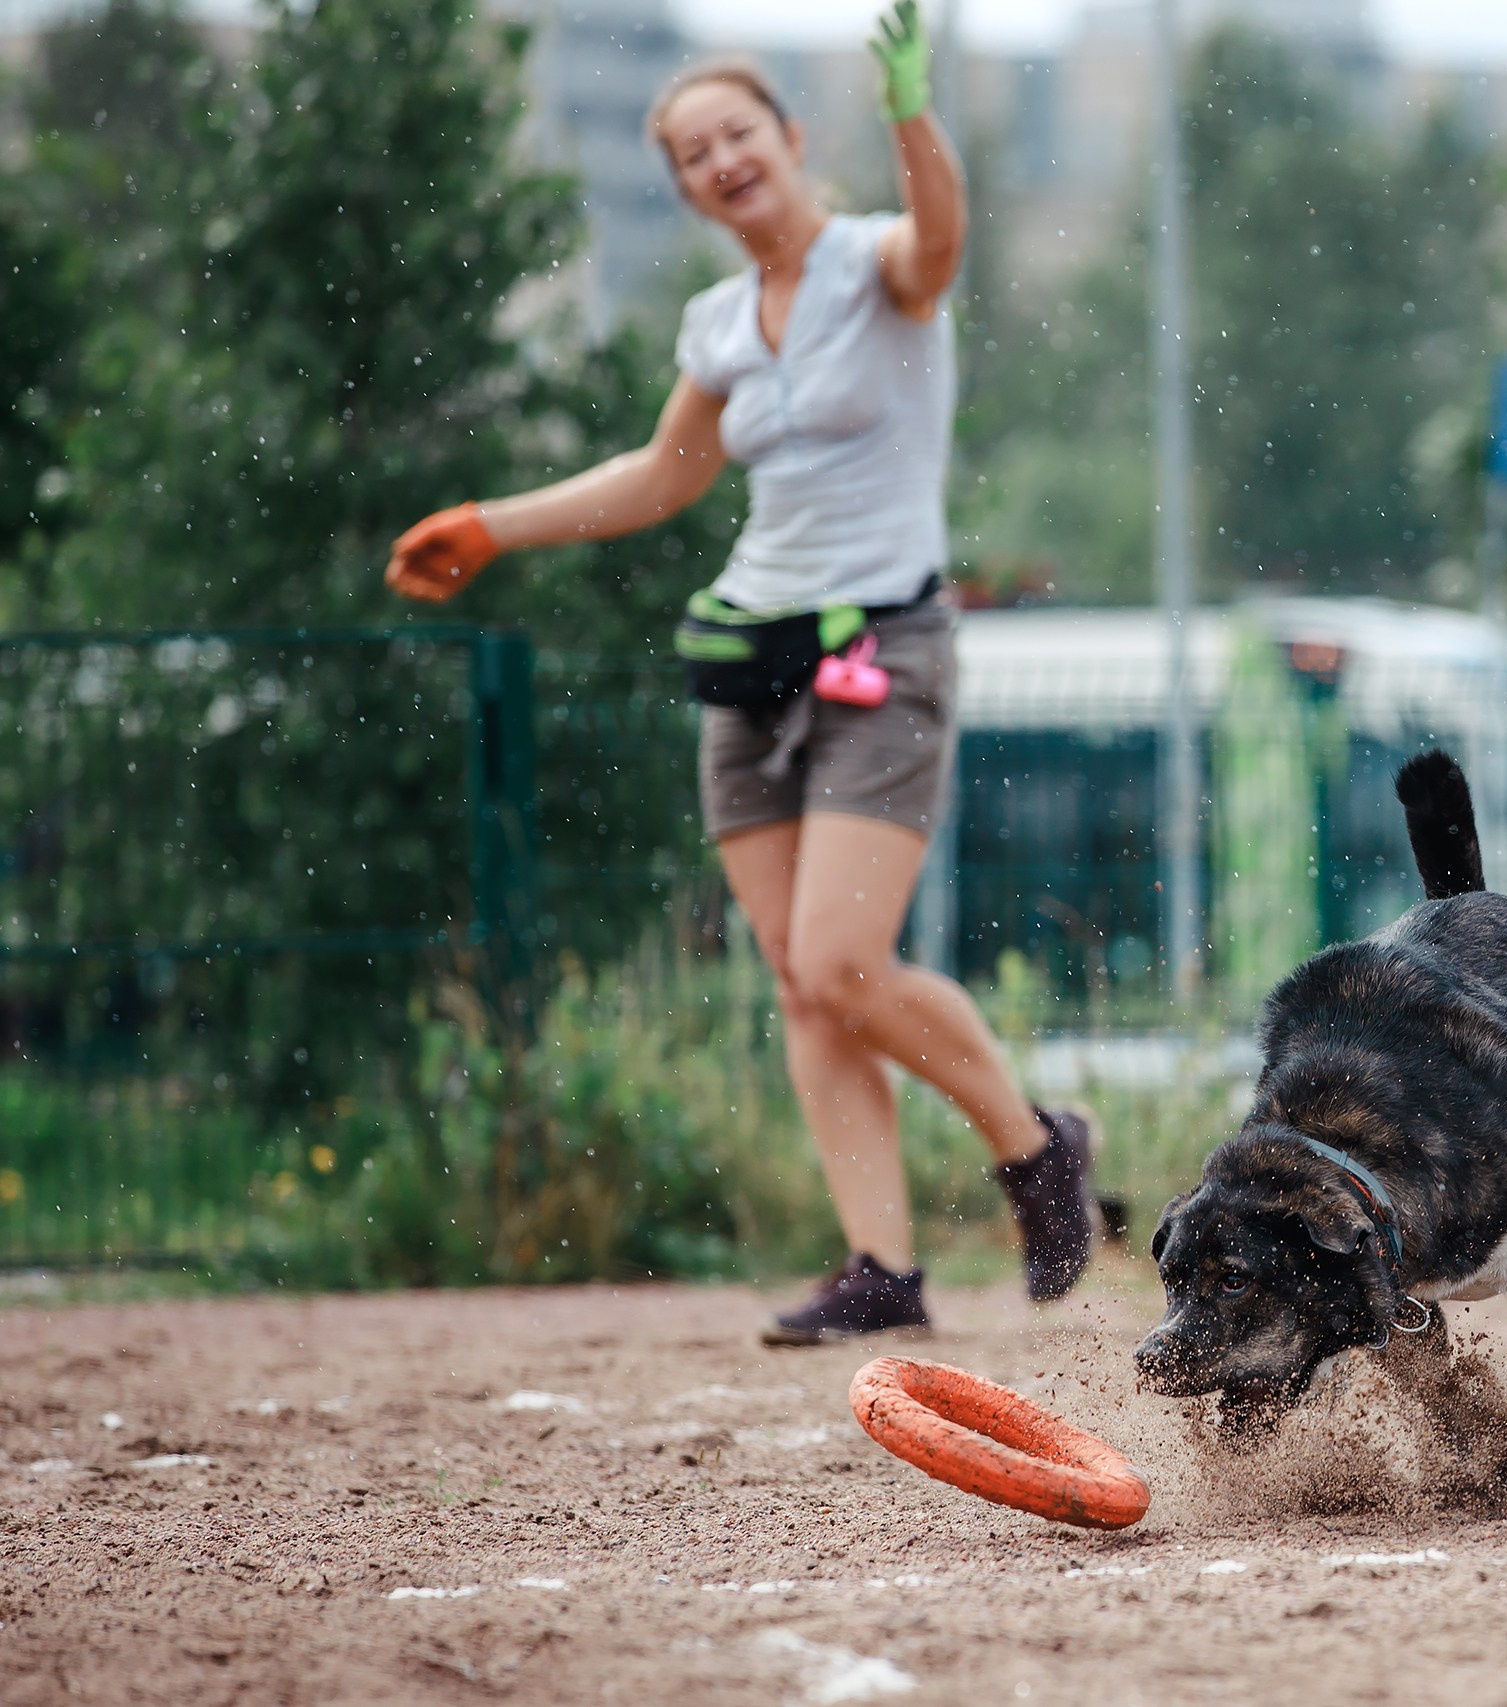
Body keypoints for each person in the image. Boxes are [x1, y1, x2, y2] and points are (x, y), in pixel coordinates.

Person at [384, 2, 1095, 1343]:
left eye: (738, 133)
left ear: (789, 138)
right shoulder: (718, 323)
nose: (721, 160)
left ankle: (1033, 1146)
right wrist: (491, 526)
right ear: (685, 189)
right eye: (692, 153)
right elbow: (662, 476)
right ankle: (881, 1269)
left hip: (881, 644)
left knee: (841, 960)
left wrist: (912, 116)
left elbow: (942, 237)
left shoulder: (877, 269)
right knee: (795, 976)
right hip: (746, 656)